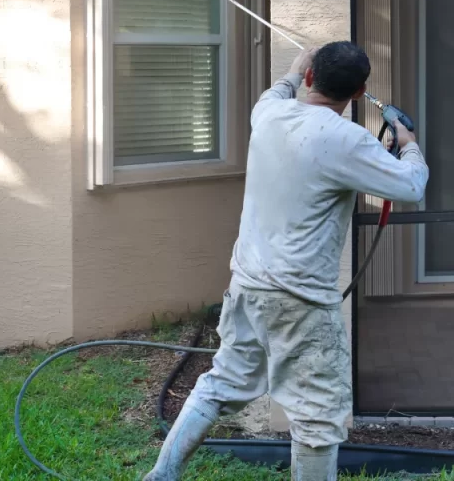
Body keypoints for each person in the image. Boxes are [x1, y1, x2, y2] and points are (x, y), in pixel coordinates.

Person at [143, 42, 429, 481]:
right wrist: (407, 144)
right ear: (359, 93)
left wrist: (294, 71)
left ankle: (160, 476)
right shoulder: (346, 139)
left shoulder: (269, 116)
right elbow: (410, 187)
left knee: (221, 384)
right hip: (300, 301)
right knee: (317, 417)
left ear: (311, 78)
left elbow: (276, 93)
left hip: (247, 287)